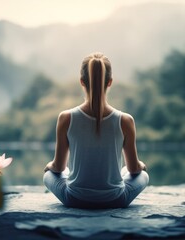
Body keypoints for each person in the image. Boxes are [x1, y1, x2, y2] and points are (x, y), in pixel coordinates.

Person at [43, 52, 149, 209]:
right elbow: (133, 169)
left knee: (48, 175)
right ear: (110, 82)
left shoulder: (66, 118)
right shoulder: (125, 121)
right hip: (116, 200)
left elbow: (58, 167)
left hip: (74, 199)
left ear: (82, 82)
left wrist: (50, 165)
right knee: (142, 175)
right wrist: (141, 165)